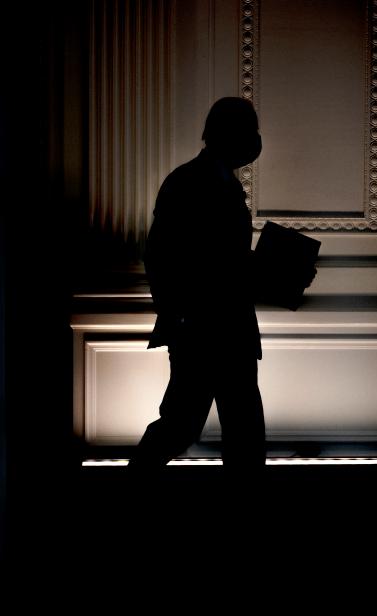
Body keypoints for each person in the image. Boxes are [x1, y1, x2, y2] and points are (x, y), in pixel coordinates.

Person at [129, 97, 276, 480]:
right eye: (250, 131)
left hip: (216, 326)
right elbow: (168, 257)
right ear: (231, 134)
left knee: (212, 426)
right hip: (208, 328)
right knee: (190, 424)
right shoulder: (195, 183)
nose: (255, 141)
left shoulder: (204, 180)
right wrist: (179, 315)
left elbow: (217, 261)